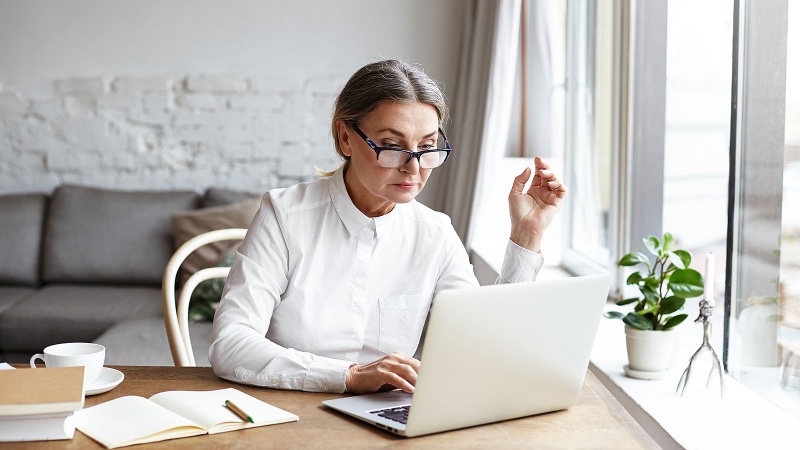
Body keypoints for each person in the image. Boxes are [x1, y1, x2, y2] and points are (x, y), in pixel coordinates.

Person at [209, 59, 567, 394]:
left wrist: (527, 235)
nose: (413, 168)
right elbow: (231, 344)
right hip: (292, 411)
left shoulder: (435, 233)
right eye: (392, 146)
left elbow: (483, 348)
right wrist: (348, 376)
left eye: (427, 146)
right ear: (346, 138)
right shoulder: (285, 215)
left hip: (389, 419)